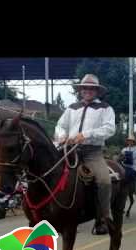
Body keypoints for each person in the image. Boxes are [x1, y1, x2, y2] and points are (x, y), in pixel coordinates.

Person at [54, 74, 116, 224]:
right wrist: (62, 136)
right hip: (69, 150)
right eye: (85, 88)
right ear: (81, 90)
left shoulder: (105, 108)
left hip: (92, 153)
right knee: (49, 171)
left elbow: (109, 129)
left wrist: (87, 134)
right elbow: (60, 125)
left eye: (91, 88)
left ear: (96, 91)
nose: (87, 91)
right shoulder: (71, 108)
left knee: (104, 181)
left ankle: (104, 213)